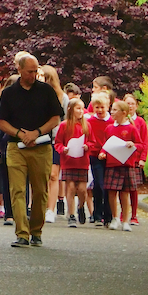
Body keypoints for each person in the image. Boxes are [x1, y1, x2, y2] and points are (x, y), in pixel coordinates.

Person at [0, 53, 62, 248]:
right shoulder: (9, 93)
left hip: (41, 147)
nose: (33, 75)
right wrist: (19, 133)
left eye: (35, 71)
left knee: (40, 191)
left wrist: (37, 132)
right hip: (16, 146)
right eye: (29, 71)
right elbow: (1, 121)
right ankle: (22, 233)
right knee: (17, 190)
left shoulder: (46, 91)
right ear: (20, 70)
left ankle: (36, 231)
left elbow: (55, 118)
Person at [102, 98, 141, 232]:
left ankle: (125, 220)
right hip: (112, 164)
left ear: (123, 112)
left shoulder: (131, 128)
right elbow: (105, 145)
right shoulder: (109, 129)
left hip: (127, 164)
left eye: (114, 110)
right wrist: (103, 153)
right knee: (111, 192)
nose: (111, 112)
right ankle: (114, 218)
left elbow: (140, 145)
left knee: (124, 193)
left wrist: (133, 145)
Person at [38, 64, 67, 222]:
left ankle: (51, 209)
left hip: (56, 140)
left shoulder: (63, 97)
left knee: (53, 176)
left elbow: (66, 121)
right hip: (39, 139)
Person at [54, 97, 89, 227]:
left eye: (82, 108)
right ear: (71, 109)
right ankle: (71, 214)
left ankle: (81, 206)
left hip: (82, 162)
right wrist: (63, 149)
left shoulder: (86, 125)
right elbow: (58, 143)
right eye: (78, 108)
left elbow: (92, 141)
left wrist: (87, 146)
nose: (81, 111)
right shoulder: (64, 125)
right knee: (70, 187)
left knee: (82, 189)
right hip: (68, 161)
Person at [85, 91, 112, 226]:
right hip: (95, 156)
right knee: (99, 184)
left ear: (108, 106)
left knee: (109, 186)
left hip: (110, 157)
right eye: (97, 107)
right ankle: (97, 214)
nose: (100, 110)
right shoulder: (90, 122)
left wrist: (106, 151)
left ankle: (108, 215)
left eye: (102, 107)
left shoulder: (112, 122)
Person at [124, 92, 148, 224]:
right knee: (123, 189)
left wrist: (143, 158)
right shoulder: (121, 121)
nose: (131, 106)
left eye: (133, 104)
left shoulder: (140, 122)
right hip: (123, 159)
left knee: (133, 188)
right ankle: (123, 214)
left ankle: (134, 216)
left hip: (135, 159)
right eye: (128, 103)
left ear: (136, 106)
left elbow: (144, 142)